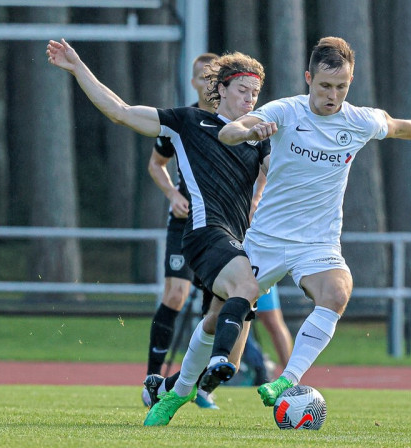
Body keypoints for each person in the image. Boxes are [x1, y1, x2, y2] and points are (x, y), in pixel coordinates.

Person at [218, 36, 411, 407]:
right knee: (216, 320)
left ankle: (285, 381)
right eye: (325, 86)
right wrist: (248, 130)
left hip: (317, 243)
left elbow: (399, 125)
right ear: (308, 78)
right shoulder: (285, 111)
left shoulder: (359, 121)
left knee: (338, 292)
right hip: (266, 239)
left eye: (341, 87)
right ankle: (176, 392)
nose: (333, 95)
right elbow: (228, 131)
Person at [46, 39, 269, 426]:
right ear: (221, 89)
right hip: (203, 233)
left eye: (255, 93)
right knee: (240, 292)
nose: (250, 99)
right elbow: (120, 111)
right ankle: (199, 366)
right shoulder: (186, 122)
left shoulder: (259, 134)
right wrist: (78, 67)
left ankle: (164, 387)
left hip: (239, 240)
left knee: (227, 344)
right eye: (242, 90)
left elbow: (277, 176)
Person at [142, 52, 222, 411]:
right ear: (193, 82)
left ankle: (198, 386)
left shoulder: (235, 121)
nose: (209, 82)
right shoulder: (181, 120)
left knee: (216, 308)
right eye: (202, 77)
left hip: (221, 224)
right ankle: (152, 380)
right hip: (185, 218)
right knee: (175, 294)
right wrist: (172, 193)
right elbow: (156, 165)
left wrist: (256, 200)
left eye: (215, 77)